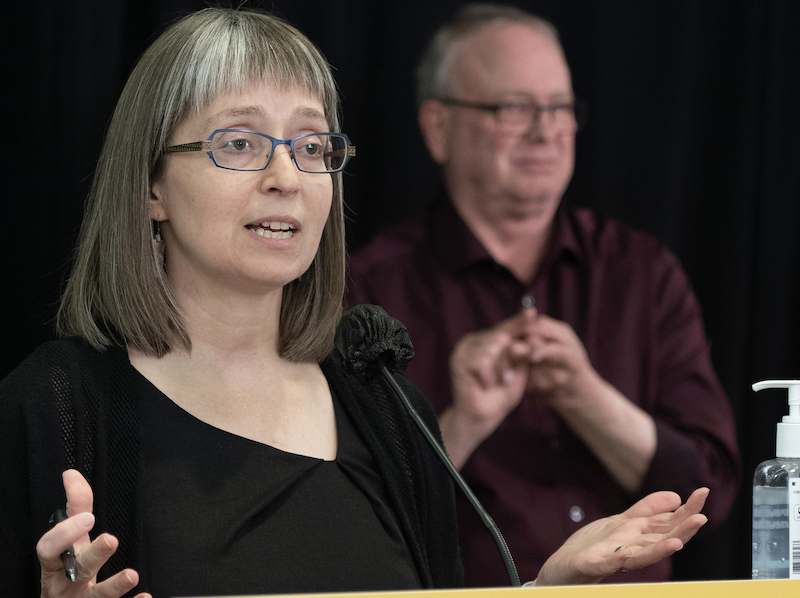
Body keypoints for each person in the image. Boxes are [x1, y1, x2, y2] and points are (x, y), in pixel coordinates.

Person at [0, 7, 710, 598]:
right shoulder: (56, 406)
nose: (288, 176)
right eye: (241, 142)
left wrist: (546, 588)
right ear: (151, 186)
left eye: (313, 146)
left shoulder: (386, 407)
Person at [346, 3, 740, 587]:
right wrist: (462, 424)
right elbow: (352, 517)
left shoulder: (642, 271)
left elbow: (713, 490)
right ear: (438, 127)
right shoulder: (372, 289)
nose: (546, 130)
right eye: (513, 108)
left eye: (558, 107)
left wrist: (589, 400)